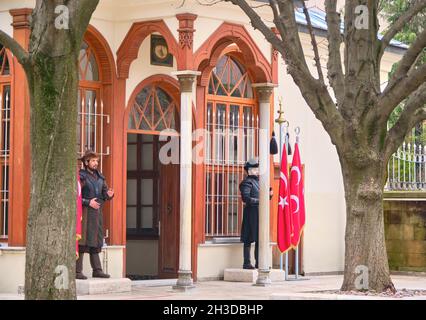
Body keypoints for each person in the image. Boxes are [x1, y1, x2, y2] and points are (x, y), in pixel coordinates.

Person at [76, 150, 114, 280]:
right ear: (86, 162)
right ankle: (77, 271)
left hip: (97, 213)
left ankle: (97, 270)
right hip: (85, 213)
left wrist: (109, 195)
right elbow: (76, 195)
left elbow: (104, 194)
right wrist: (87, 202)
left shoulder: (100, 177)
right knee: (82, 241)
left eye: (97, 161)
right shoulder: (81, 176)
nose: (95, 163)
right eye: (93, 161)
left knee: (96, 241)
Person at [239, 158, 272, 269]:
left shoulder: (259, 182)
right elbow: (246, 198)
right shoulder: (246, 182)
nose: (256, 170)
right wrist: (261, 201)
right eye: (253, 168)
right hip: (251, 212)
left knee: (260, 238)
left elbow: (265, 198)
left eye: (257, 168)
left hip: (260, 212)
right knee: (248, 238)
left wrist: (269, 194)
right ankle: (247, 263)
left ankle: (260, 262)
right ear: (248, 170)